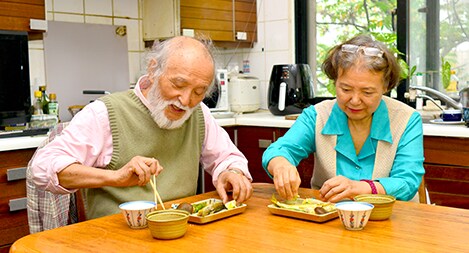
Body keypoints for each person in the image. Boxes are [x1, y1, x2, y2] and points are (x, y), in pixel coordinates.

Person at [31, 36, 253, 219]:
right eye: (178, 85)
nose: (186, 100)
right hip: (115, 238)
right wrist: (116, 177)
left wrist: (231, 172)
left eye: (199, 92)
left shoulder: (198, 113)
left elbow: (227, 156)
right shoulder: (105, 113)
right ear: (153, 69)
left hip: (180, 231)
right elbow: (42, 167)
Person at [262, 34, 424, 203]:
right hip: (329, 217)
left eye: (367, 92)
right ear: (335, 83)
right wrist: (281, 165)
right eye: (345, 89)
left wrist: (358, 188)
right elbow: (278, 150)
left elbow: (407, 183)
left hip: (392, 219)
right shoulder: (317, 116)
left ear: (385, 87)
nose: (354, 100)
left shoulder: (406, 119)